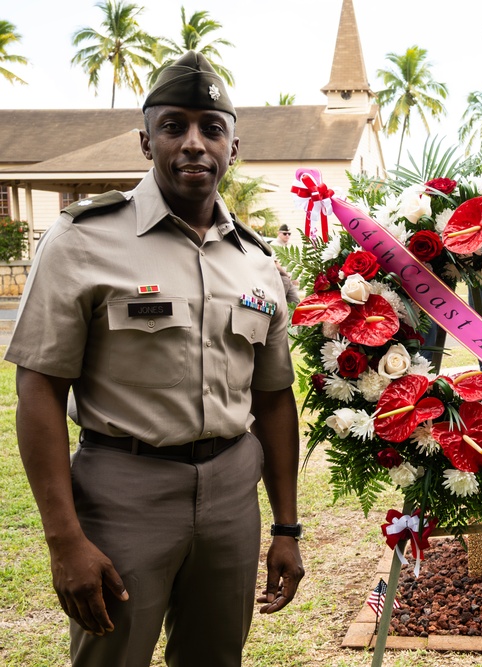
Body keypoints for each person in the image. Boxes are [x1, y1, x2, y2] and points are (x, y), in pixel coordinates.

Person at [6, 51, 304, 666]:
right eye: (174, 126)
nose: (193, 143)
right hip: (124, 494)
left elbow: (274, 399)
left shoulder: (258, 263)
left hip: (230, 497)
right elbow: (38, 390)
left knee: (216, 658)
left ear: (234, 145)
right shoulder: (82, 240)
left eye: (210, 128)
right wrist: (65, 540)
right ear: (147, 141)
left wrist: (286, 527)